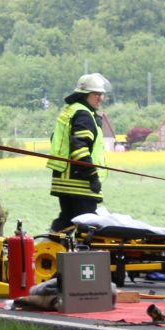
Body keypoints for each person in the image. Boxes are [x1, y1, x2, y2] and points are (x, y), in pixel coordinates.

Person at [48, 73, 109, 232]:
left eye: (101, 94)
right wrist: (93, 176)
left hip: (65, 181)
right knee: (87, 225)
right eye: (96, 94)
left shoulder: (71, 111)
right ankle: (83, 255)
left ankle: (47, 249)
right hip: (79, 183)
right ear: (84, 94)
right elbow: (79, 148)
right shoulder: (83, 114)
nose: (100, 98)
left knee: (66, 220)